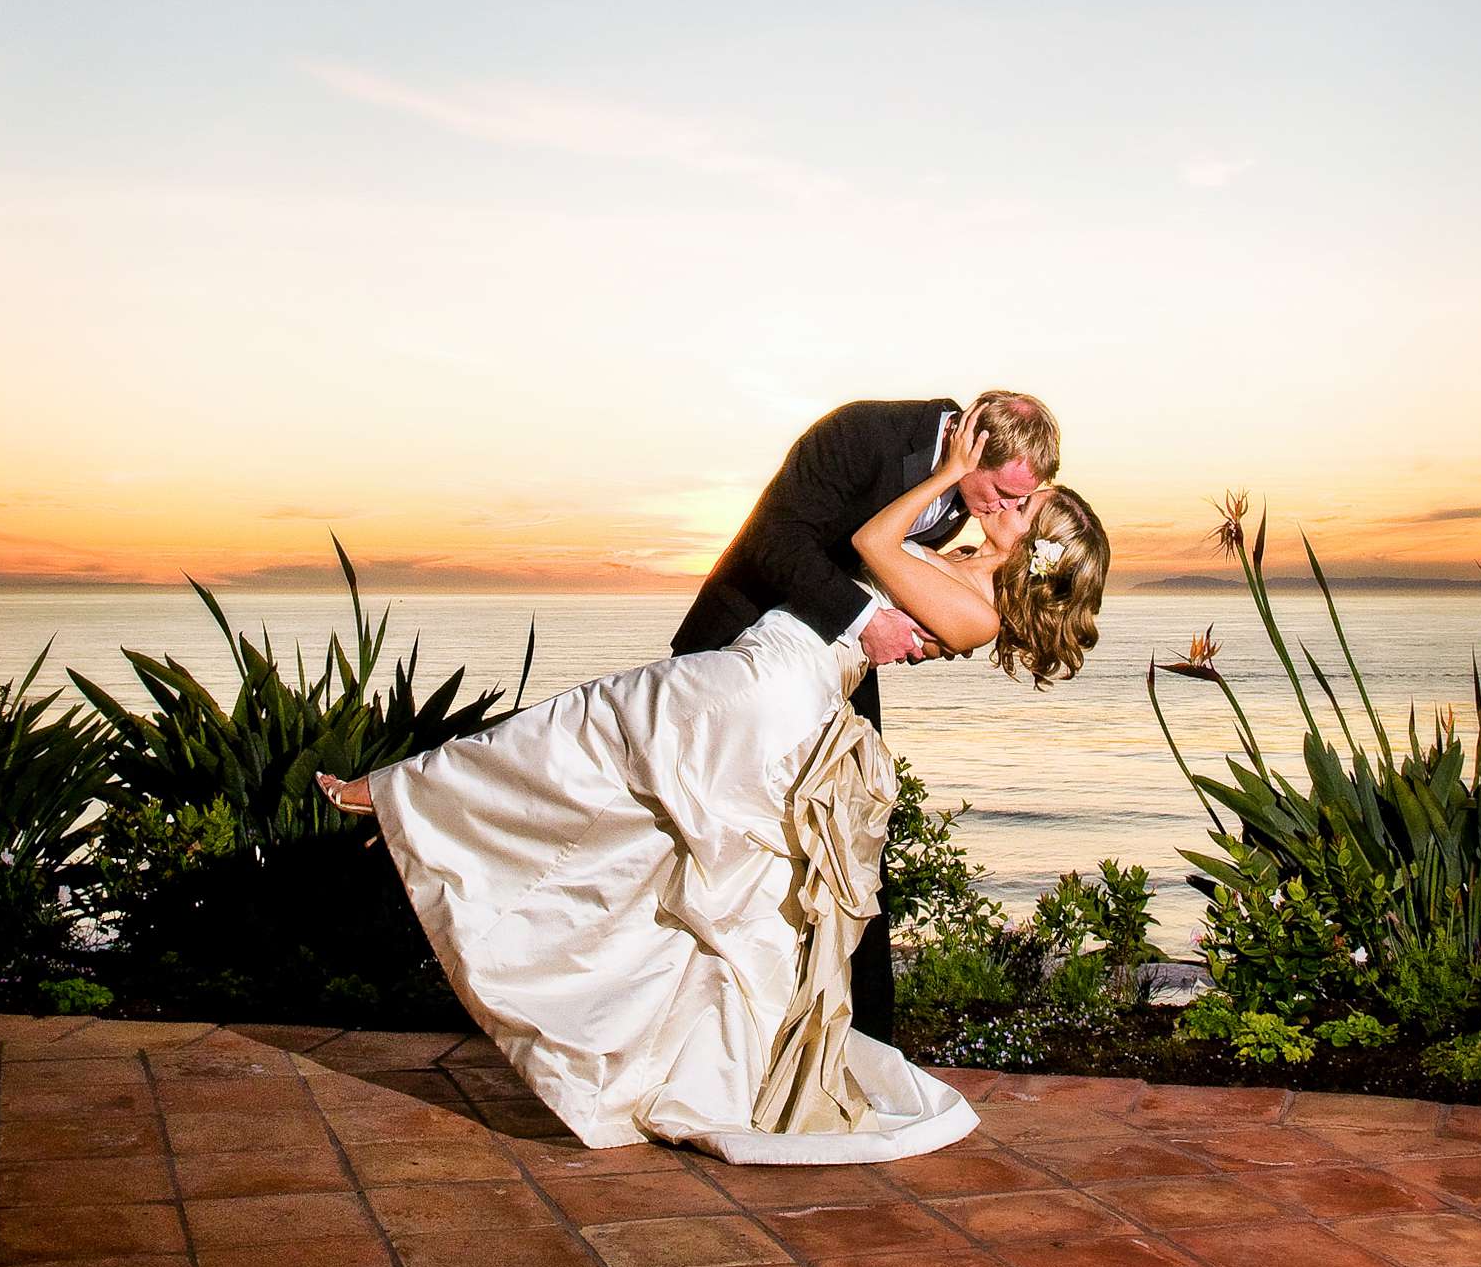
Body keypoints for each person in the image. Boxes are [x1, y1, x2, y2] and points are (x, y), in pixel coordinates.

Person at [316, 405, 1110, 1166]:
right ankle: (691, 1071)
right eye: (1014, 490)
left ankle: (399, 798)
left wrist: (951, 471)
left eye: (1025, 502)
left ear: (1038, 544)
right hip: (768, 673)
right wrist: (955, 484)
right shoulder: (964, 551)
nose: (1012, 500)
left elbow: (872, 538)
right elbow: (850, 550)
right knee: (714, 875)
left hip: (769, 686)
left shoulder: (976, 607)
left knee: (588, 732)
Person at [672, 390, 1063, 1040]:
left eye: (1016, 502)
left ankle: (853, 1042)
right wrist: (866, 619)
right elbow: (774, 541)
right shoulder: (863, 433)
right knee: (724, 852)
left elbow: (895, 568)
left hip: (835, 671)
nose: (998, 507)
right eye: (997, 490)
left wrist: (917, 628)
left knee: (847, 855)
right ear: (968, 442)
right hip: (746, 656)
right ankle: (715, 1027)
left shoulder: (962, 499)